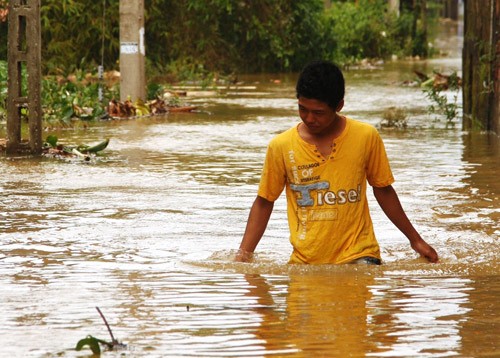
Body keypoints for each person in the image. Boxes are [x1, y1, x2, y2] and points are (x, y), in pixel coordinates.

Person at [235, 60, 438, 264]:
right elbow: (264, 202)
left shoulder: (366, 137)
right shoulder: (281, 146)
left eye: (319, 112)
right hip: (305, 261)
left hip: (360, 255)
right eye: (302, 109)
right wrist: (243, 256)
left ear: (339, 105)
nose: (309, 118)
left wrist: (415, 240)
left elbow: (383, 190)